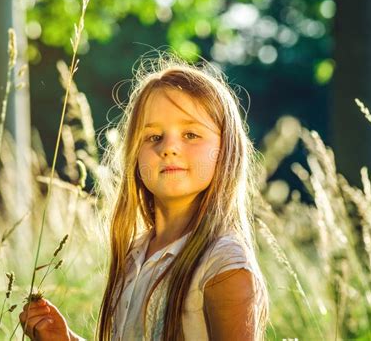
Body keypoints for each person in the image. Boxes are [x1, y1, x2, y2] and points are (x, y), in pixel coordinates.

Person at [19, 52, 269, 340]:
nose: (169, 148)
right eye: (153, 137)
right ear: (134, 154)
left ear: (226, 150)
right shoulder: (136, 255)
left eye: (190, 135)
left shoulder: (223, 264)